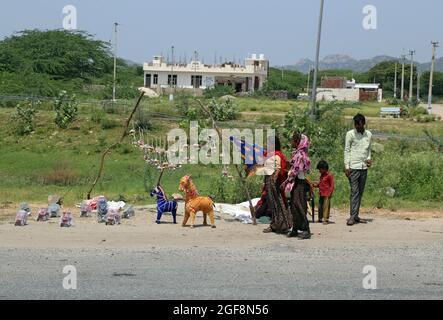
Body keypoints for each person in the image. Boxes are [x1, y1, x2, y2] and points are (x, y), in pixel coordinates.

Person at [259, 136, 292, 234]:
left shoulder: (278, 155)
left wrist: (275, 177)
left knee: (278, 202)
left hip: (274, 181)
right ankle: (274, 225)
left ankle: (283, 225)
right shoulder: (268, 154)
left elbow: (279, 168)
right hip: (268, 180)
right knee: (272, 204)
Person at [344, 114, 373, 226]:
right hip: (353, 168)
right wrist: (347, 166)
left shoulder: (368, 134)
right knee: (354, 192)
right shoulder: (350, 134)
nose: (358, 127)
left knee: (359, 193)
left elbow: (369, 149)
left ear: (364, 123)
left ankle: (355, 216)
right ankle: (352, 216)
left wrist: (369, 159)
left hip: (364, 168)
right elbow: (347, 150)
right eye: (356, 125)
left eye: (360, 125)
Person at [284, 132, 312, 240]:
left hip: (299, 183)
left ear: (297, 142)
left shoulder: (300, 155)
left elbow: (296, 170)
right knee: (294, 207)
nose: (291, 142)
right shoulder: (297, 153)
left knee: (299, 205)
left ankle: (306, 229)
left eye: (293, 140)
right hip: (296, 183)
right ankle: (295, 228)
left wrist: (288, 172)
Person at [313, 160, 334, 225]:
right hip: (321, 193)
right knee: (320, 206)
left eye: (320, 169)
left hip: (327, 194)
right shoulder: (322, 175)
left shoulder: (329, 175)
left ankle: (325, 219)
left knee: (326, 207)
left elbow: (332, 185)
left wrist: (330, 193)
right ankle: (320, 218)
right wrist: (316, 185)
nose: (319, 171)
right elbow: (321, 184)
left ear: (324, 168)